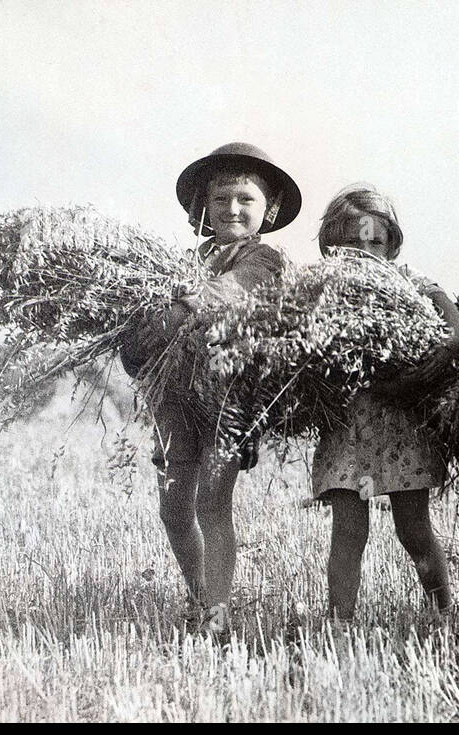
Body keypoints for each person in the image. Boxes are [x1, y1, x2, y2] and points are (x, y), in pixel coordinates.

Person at [121, 142, 302, 634]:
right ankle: (203, 600)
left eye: (246, 198)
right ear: (203, 206)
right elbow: (142, 332)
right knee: (173, 506)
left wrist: (175, 309)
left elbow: (226, 292)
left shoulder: (265, 257)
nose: (232, 210)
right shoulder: (182, 261)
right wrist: (141, 337)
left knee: (212, 504)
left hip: (228, 397)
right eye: (221, 199)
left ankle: (218, 613)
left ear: (271, 208)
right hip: (173, 396)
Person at [311, 184, 459, 628]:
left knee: (413, 529)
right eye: (351, 242)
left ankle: (443, 612)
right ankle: (340, 623)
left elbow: (446, 313)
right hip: (345, 427)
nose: (363, 252)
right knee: (349, 531)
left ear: (391, 245)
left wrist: (448, 344)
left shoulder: (406, 282)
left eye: (374, 242)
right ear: (332, 247)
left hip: (401, 426)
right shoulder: (322, 289)